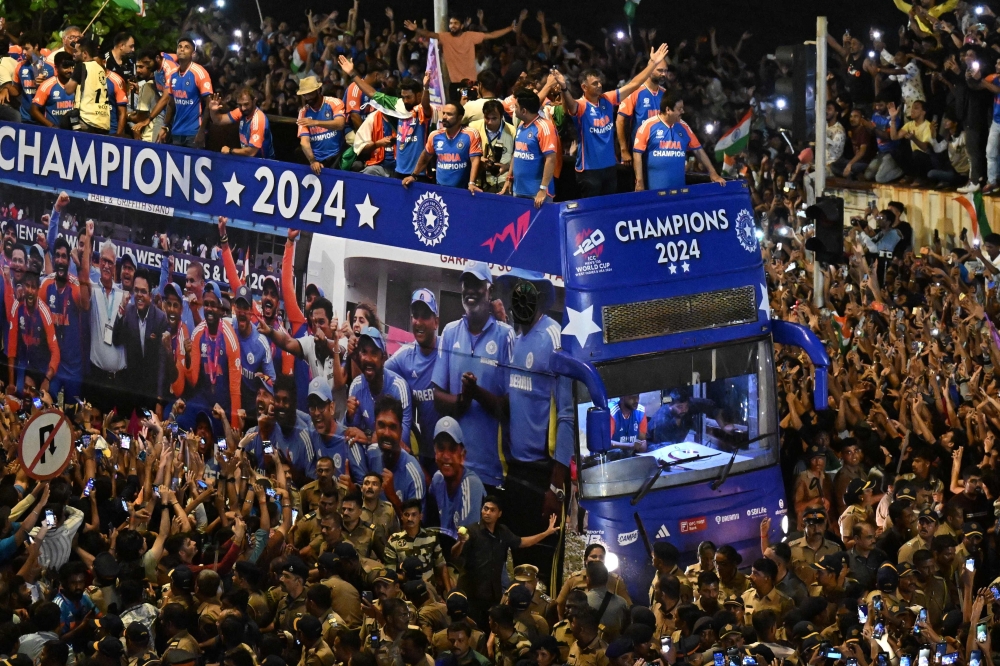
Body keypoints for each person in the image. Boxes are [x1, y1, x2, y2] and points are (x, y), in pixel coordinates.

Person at [432, 262, 514, 489]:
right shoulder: (449, 332)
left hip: (491, 470)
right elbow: (437, 398)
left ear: (489, 291)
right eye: (466, 284)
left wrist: (476, 393)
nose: (470, 290)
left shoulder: (505, 336)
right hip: (453, 467)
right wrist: (462, 400)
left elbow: (509, 407)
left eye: (477, 284)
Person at [552, 44, 669, 197]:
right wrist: (564, 88)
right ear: (584, 87)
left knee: (608, 210)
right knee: (592, 212)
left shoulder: (607, 99)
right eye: (595, 83)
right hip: (589, 171)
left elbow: (634, 84)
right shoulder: (580, 106)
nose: (600, 85)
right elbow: (568, 106)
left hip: (610, 169)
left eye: (600, 82)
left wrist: (652, 64)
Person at [452, 495, 561, 630]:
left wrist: (546, 533)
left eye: (492, 510)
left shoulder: (503, 532)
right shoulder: (471, 531)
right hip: (472, 595)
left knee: (490, 631)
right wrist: (461, 542)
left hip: (493, 595)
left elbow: (522, 542)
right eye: (485, 509)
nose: (487, 513)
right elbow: (454, 555)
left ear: (499, 514)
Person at [385, 289, 441, 474]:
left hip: (451, 453)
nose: (418, 322)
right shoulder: (404, 356)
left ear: (436, 322)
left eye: (425, 316)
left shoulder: (448, 350)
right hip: (424, 454)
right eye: (415, 316)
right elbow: (378, 374)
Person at [633, 93, 726, 191]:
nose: (683, 111)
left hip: (679, 191)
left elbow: (698, 150)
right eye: (679, 109)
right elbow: (637, 153)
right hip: (655, 190)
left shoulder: (684, 127)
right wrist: (639, 181)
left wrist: (713, 173)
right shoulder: (648, 125)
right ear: (668, 110)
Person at [403, 16, 516, 96]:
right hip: (455, 84)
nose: (452, 26)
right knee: (457, 112)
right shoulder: (445, 37)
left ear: (462, 26)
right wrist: (416, 29)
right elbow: (429, 34)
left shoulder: (470, 36)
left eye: (455, 23)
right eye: (451, 23)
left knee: (468, 111)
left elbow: (491, 35)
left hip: (470, 82)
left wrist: (510, 28)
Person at [111, 268, 170, 409]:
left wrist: (159, 399)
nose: (139, 295)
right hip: (131, 390)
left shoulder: (160, 318)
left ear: (150, 294)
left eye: (143, 291)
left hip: (151, 392)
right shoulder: (128, 313)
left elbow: (162, 362)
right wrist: (120, 311)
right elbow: (116, 340)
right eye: (136, 290)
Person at [185, 282, 241, 429]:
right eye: (206, 304)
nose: (209, 308)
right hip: (205, 400)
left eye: (213, 304)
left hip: (224, 405)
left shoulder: (229, 336)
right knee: (180, 420)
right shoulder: (197, 333)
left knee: (222, 441)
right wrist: (188, 357)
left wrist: (234, 427)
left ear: (220, 308)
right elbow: (193, 380)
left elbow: (235, 389)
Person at [142, 35, 212, 147]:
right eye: (180, 46)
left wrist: (202, 131)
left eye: (186, 47)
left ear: (193, 54)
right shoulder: (173, 74)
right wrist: (165, 126)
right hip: (176, 131)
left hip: (194, 132)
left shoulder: (199, 72)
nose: (182, 49)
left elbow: (209, 104)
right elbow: (171, 104)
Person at [362, 395, 424, 514]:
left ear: (401, 431)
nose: (386, 433)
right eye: (381, 425)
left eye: (392, 427)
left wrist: (392, 495)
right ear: (375, 426)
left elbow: (418, 528)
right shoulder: (370, 454)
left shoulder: (413, 474)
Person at [427, 417, 486, 539]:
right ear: (435, 452)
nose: (446, 456)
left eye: (453, 449)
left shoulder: (471, 484)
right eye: (441, 448)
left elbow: (467, 543)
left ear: (462, 455)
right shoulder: (437, 480)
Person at [402, 102, 482, 192]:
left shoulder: (471, 134)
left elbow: (475, 160)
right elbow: (425, 157)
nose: (444, 117)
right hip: (440, 189)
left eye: (449, 114)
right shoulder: (435, 135)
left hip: (462, 191)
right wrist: (414, 176)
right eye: (444, 113)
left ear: (460, 117)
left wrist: (472, 183)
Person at [501, 90, 558, 207]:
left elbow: (551, 159)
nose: (513, 109)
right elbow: (516, 153)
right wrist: (509, 178)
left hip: (537, 193)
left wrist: (542, 189)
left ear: (523, 111)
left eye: (515, 106)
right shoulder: (521, 125)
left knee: (542, 225)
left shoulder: (545, 127)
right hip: (518, 190)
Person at [7, 269, 60, 394]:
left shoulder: (44, 311)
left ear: (38, 290)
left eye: (33, 287)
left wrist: (47, 379)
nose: (30, 291)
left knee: (44, 397)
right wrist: (10, 383)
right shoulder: (17, 307)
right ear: (23, 286)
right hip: (26, 364)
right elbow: (11, 348)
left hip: (43, 368)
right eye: (28, 286)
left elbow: (55, 351)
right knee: (22, 393)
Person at [617, 56, 668, 161]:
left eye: (665, 71)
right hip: (638, 150)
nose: (663, 74)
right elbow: (620, 121)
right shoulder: (635, 91)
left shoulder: (665, 94)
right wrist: (624, 150)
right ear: (649, 70)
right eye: (660, 70)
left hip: (660, 150)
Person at [296, 76, 347, 173]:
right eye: (305, 95)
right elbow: (304, 141)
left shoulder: (334, 103)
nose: (307, 98)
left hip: (337, 155)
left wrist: (316, 122)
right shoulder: (303, 112)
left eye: (310, 94)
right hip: (317, 160)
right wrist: (312, 161)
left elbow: (340, 124)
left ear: (318, 90)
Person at [208, 87, 275, 159]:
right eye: (240, 105)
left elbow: (252, 152)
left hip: (263, 163)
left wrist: (230, 150)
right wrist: (213, 110)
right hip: (248, 159)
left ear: (254, 101)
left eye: (246, 104)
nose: (243, 108)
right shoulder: (240, 112)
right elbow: (218, 120)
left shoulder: (258, 120)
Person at [16, 33, 54, 123]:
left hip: (44, 119)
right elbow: (17, 89)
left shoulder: (51, 67)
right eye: (22, 49)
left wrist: (43, 85)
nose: (23, 52)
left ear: (36, 46)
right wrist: (6, 88)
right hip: (25, 118)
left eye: (26, 49)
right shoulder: (20, 66)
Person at [31, 52, 76, 127]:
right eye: (65, 67)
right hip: (53, 132)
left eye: (71, 67)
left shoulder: (78, 85)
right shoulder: (47, 85)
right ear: (56, 68)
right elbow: (34, 110)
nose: (69, 70)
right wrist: (52, 126)